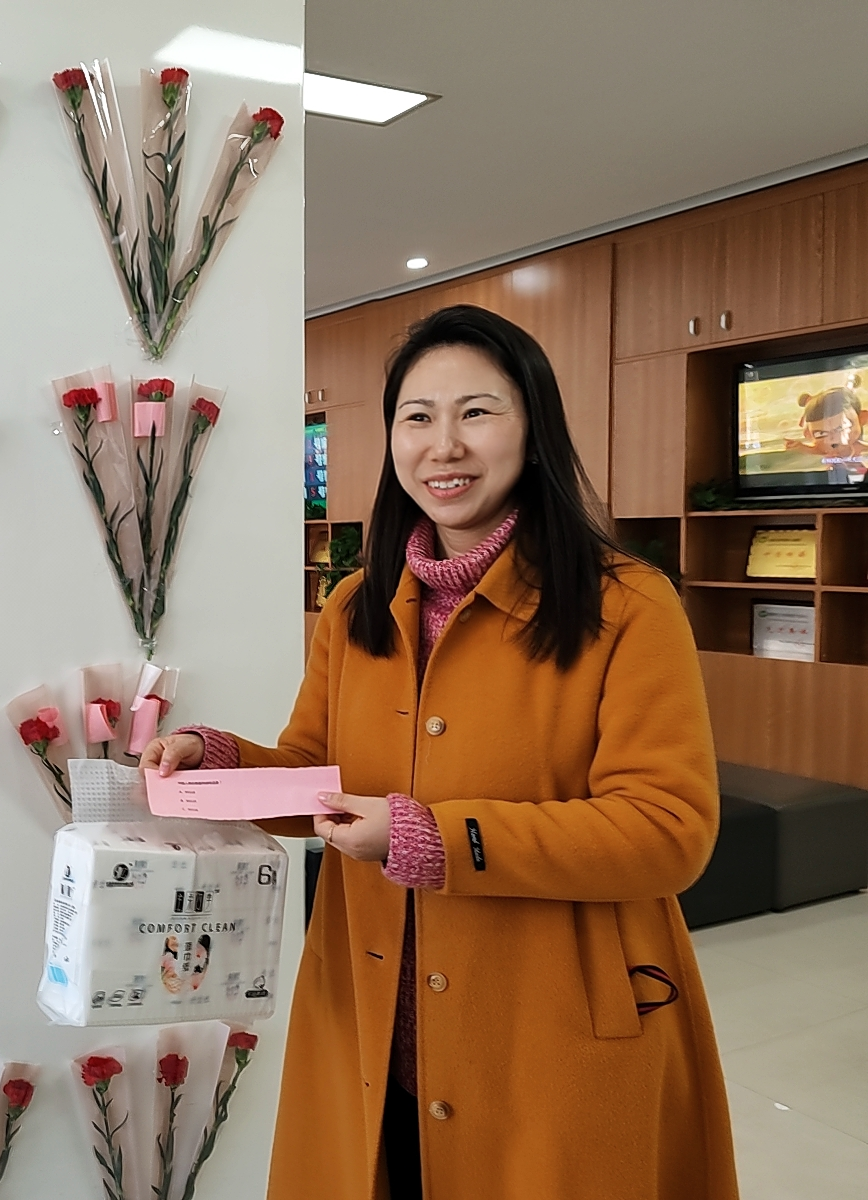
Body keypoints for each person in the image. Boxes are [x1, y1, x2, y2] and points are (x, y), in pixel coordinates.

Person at [141, 305, 737, 1200]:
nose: (443, 445)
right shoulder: (357, 605)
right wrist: (216, 759)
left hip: (549, 1041)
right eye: (417, 417)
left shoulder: (626, 604)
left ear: (534, 428)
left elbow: (668, 831)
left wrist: (436, 839)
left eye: (477, 412)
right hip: (377, 1030)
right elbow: (317, 778)